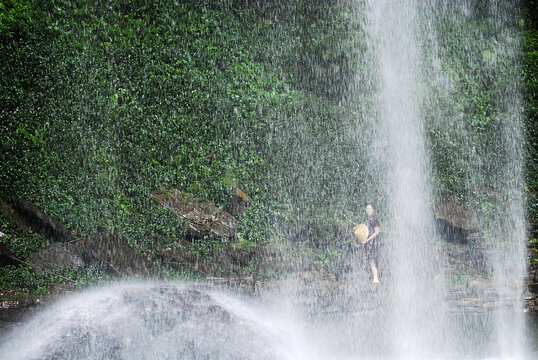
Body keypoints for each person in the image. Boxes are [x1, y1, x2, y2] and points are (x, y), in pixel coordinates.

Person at [362, 203, 380, 284]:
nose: (368, 210)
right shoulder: (367, 220)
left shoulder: (374, 219)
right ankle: (373, 276)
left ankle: (376, 278)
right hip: (368, 242)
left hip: (372, 242)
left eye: (370, 209)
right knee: (369, 259)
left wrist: (368, 240)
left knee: (372, 259)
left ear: (373, 210)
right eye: (367, 209)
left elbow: (377, 232)